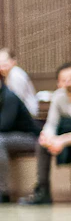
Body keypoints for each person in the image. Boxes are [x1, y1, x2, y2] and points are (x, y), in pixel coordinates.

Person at [22, 64, 71, 207]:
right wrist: (48, 137)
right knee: (42, 144)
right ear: (59, 83)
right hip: (65, 136)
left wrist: (64, 140)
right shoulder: (58, 97)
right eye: (64, 80)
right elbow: (51, 124)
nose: (68, 83)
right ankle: (43, 191)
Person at [0, 73, 39, 203]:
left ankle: (3, 192)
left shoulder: (9, 97)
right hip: (11, 137)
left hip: (30, 138)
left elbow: (4, 125)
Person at [0, 49, 38, 118]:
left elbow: (15, 100)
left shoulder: (16, 75)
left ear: (13, 62)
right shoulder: (8, 75)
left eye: (4, 63)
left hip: (27, 115)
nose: (2, 66)